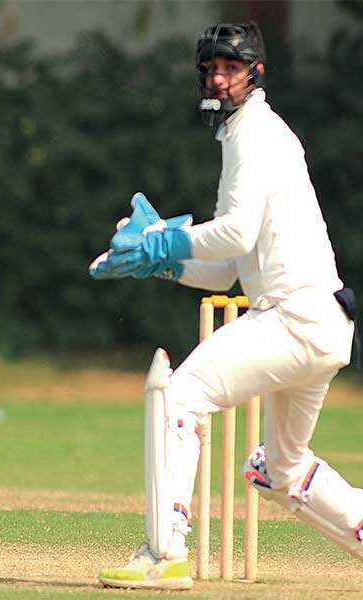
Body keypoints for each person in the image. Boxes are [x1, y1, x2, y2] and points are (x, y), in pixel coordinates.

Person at [90, 22, 362, 589]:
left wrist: (163, 240)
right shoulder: (250, 133)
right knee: (282, 470)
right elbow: (230, 266)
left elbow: (234, 233)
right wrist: (163, 263)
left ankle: (165, 550)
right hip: (322, 325)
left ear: (254, 74)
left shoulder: (253, 133)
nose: (218, 78)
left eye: (231, 68)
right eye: (211, 68)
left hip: (292, 316)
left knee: (180, 397)